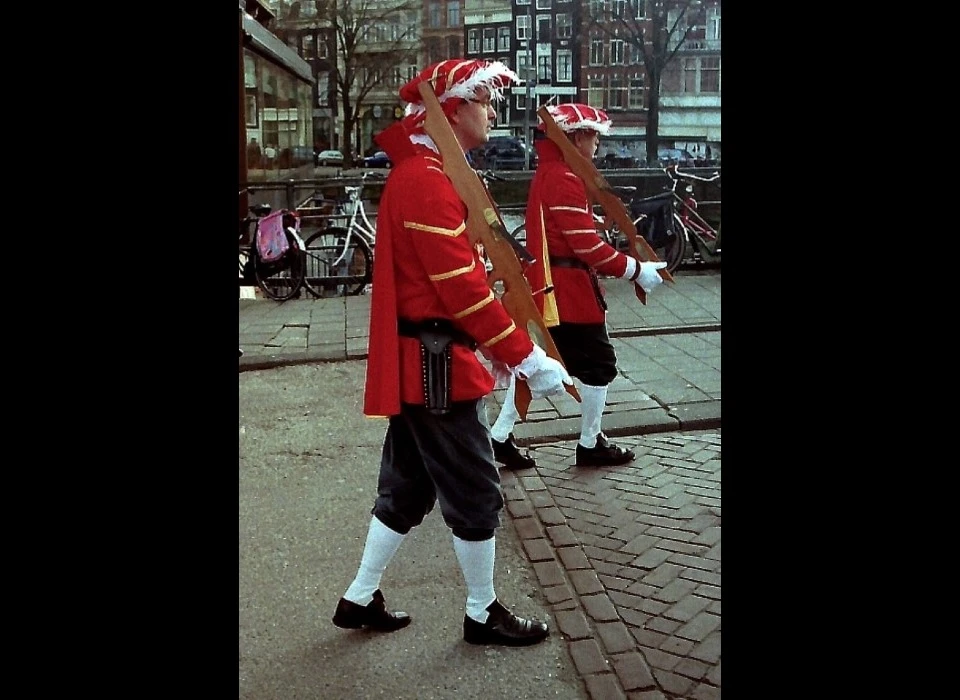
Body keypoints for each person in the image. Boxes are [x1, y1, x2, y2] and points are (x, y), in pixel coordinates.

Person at [332, 59, 573, 647]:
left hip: (428, 363)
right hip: (437, 366)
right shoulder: (425, 177)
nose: (492, 111)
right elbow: (461, 290)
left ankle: (359, 597)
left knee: (408, 487)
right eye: (484, 102)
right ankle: (480, 610)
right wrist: (526, 357)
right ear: (454, 108)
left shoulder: (434, 170)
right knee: (474, 489)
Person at [490, 103, 667, 470]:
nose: (597, 141)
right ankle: (590, 443)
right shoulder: (566, 177)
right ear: (574, 137)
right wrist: (635, 270)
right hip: (568, 292)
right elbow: (585, 247)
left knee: (543, 363)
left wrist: (592, 221)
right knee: (598, 365)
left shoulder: (554, 172)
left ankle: (500, 436)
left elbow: (568, 232)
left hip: (556, 286)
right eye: (591, 134)